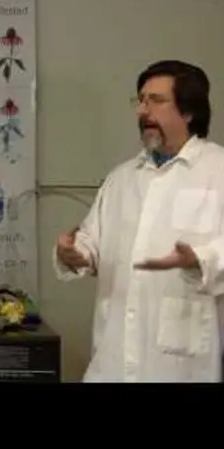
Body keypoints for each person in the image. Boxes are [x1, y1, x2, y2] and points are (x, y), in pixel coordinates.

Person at [54, 59, 224, 383]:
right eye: (140, 100)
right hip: (111, 365)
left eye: (156, 100)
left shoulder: (217, 171)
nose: (143, 111)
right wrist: (75, 253)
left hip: (181, 369)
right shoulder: (121, 178)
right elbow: (91, 242)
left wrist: (200, 260)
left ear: (189, 111)